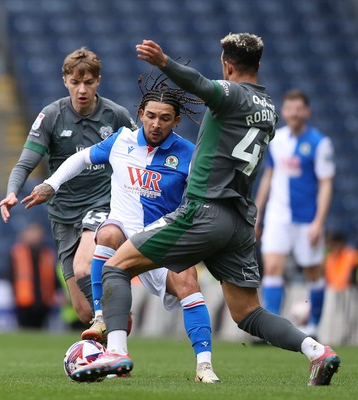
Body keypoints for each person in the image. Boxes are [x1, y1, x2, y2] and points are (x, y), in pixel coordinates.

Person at [63, 33, 341, 386]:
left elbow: (202, 86)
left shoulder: (232, 94)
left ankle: (117, 352)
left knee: (116, 266)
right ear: (258, 64)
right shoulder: (269, 105)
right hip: (239, 222)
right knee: (248, 313)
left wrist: (164, 63)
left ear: (227, 65)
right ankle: (318, 351)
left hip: (205, 211)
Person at [21, 70, 220, 383]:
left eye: (165, 118)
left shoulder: (188, 155)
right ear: (140, 114)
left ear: (176, 121)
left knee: (188, 283)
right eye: (151, 116)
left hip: (160, 237)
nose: (156, 124)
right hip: (123, 230)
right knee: (109, 232)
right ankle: (105, 326)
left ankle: (204, 367)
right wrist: (51, 184)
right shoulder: (121, 141)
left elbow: (201, 200)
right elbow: (81, 159)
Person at [0, 47, 137, 325]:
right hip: (63, 215)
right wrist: (12, 191)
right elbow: (25, 163)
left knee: (84, 265)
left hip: (103, 205)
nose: (82, 89)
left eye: (88, 82)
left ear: (98, 80)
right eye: (75, 82)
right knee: (82, 310)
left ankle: (115, 323)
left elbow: (141, 157)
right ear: (65, 81)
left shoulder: (117, 116)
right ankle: (114, 328)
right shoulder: (51, 116)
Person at [255, 89, 335, 338]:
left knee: (313, 272)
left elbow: (325, 184)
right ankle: (273, 328)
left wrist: (318, 222)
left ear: (306, 112)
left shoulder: (320, 144)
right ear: (284, 111)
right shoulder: (277, 140)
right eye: (289, 108)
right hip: (278, 216)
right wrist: (258, 210)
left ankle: (313, 326)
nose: (293, 112)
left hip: (306, 219)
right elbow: (269, 175)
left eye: (299, 108)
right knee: (272, 267)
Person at [9, 222, 59, 329]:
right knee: (24, 329)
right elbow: (11, 275)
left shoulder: (47, 253)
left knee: (41, 329)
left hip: (44, 300)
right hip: (24, 300)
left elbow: (53, 276)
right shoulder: (17, 253)